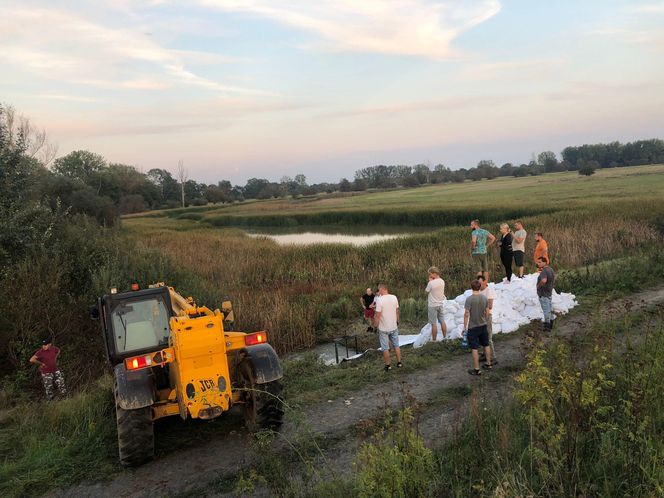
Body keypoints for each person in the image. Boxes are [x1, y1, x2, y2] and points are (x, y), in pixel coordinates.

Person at [464, 279, 492, 375]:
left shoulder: (469, 299)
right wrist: (485, 319)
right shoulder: (484, 298)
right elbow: (487, 312)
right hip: (483, 325)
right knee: (486, 344)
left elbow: (466, 314)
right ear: (480, 287)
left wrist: (465, 327)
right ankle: (488, 364)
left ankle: (477, 369)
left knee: (474, 348)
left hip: (473, 327)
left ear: (471, 288)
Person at [373, 283, 402, 372]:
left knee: (385, 348)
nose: (378, 292)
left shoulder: (380, 300)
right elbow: (397, 311)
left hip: (384, 328)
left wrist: (375, 326)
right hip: (393, 326)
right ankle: (399, 363)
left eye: (379, 290)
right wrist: (397, 321)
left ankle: (388, 365)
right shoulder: (394, 297)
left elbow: (377, 316)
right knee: (396, 345)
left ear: (382, 289)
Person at [477, 275, 498, 365]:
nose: (479, 284)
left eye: (481, 283)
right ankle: (485, 354)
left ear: (485, 282)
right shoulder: (478, 291)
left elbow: (490, 306)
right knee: (481, 336)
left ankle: (493, 357)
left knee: (488, 337)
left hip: (487, 316)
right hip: (480, 316)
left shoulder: (489, 291)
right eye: (478, 283)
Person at [425, 266, 447, 342]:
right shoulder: (442, 281)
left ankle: (434, 340)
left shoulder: (431, 283)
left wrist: (430, 280)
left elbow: (426, 291)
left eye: (430, 274)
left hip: (432, 305)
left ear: (434, 273)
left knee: (433, 324)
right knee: (442, 321)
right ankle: (445, 337)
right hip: (440, 304)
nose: (430, 275)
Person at [536, 257, 556, 331]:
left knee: (546, 310)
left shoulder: (544, 271)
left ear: (545, 262)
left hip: (543, 293)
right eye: (538, 262)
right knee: (549, 308)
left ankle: (547, 327)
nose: (538, 264)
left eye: (540, 262)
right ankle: (551, 324)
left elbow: (544, 280)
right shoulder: (551, 269)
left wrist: (538, 285)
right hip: (549, 292)